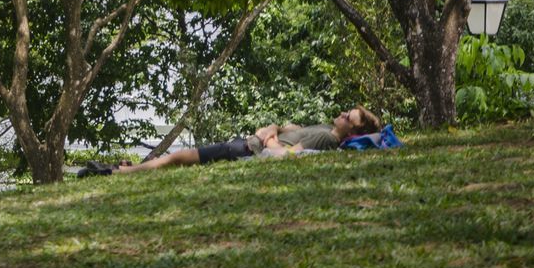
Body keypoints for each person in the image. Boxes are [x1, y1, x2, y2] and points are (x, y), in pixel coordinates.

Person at [81, 106, 381, 177]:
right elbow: (288, 125)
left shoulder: (326, 138)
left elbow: (286, 155)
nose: (341, 114)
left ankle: (118, 172)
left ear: (352, 131)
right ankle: (127, 168)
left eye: (348, 117)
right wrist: (271, 127)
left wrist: (269, 135)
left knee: (179, 156)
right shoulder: (320, 128)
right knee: (181, 156)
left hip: (246, 149)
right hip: (249, 142)